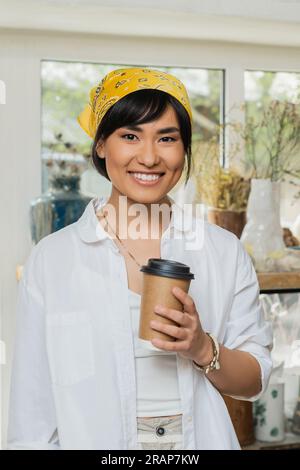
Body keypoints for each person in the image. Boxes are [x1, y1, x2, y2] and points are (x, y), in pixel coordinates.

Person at [7, 67, 273, 450]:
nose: (149, 157)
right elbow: (31, 420)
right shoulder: (52, 260)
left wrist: (201, 347)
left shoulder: (223, 251)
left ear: (183, 149)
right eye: (130, 136)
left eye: (167, 138)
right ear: (101, 145)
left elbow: (255, 380)